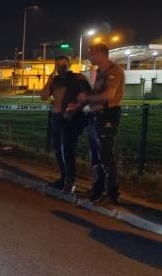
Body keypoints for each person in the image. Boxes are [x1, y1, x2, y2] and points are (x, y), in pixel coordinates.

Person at [40, 55, 91, 193]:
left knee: (67, 149)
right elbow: (43, 96)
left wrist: (75, 107)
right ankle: (63, 178)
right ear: (55, 66)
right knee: (58, 149)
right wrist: (49, 81)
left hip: (71, 118)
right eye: (59, 65)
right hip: (57, 118)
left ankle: (70, 181)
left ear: (69, 65)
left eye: (64, 65)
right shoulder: (55, 81)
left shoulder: (78, 78)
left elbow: (87, 95)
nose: (62, 68)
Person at [84, 42, 125, 205]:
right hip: (95, 116)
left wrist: (87, 98)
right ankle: (97, 189)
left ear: (101, 54)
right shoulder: (100, 72)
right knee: (95, 156)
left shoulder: (114, 71)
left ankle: (112, 193)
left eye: (92, 53)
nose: (90, 57)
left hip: (107, 116)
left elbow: (108, 95)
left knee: (106, 156)